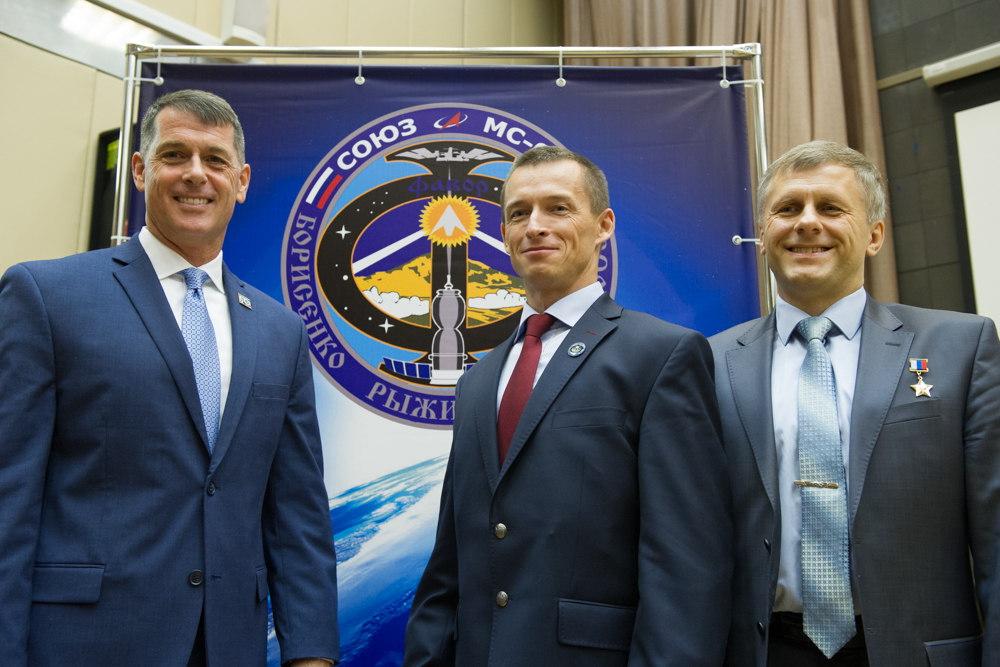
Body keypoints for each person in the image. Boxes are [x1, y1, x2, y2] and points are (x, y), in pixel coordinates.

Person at [0, 90, 339, 666]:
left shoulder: (281, 332)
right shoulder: (46, 296)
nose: (195, 174)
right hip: (82, 647)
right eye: (175, 155)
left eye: (215, 160)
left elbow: (297, 513)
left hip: (228, 648)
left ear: (241, 182)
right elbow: (10, 498)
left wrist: (311, 656)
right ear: (140, 170)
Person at [402, 145, 734, 666]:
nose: (535, 226)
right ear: (504, 234)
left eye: (558, 208)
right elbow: (451, 562)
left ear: (603, 226)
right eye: (519, 213)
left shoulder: (661, 355)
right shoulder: (476, 383)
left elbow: (688, 565)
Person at [710, 140, 1000, 666]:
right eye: (787, 209)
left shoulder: (961, 346)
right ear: (763, 237)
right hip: (766, 652)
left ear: (874, 235)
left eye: (831, 207)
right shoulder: (709, 362)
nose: (807, 222)